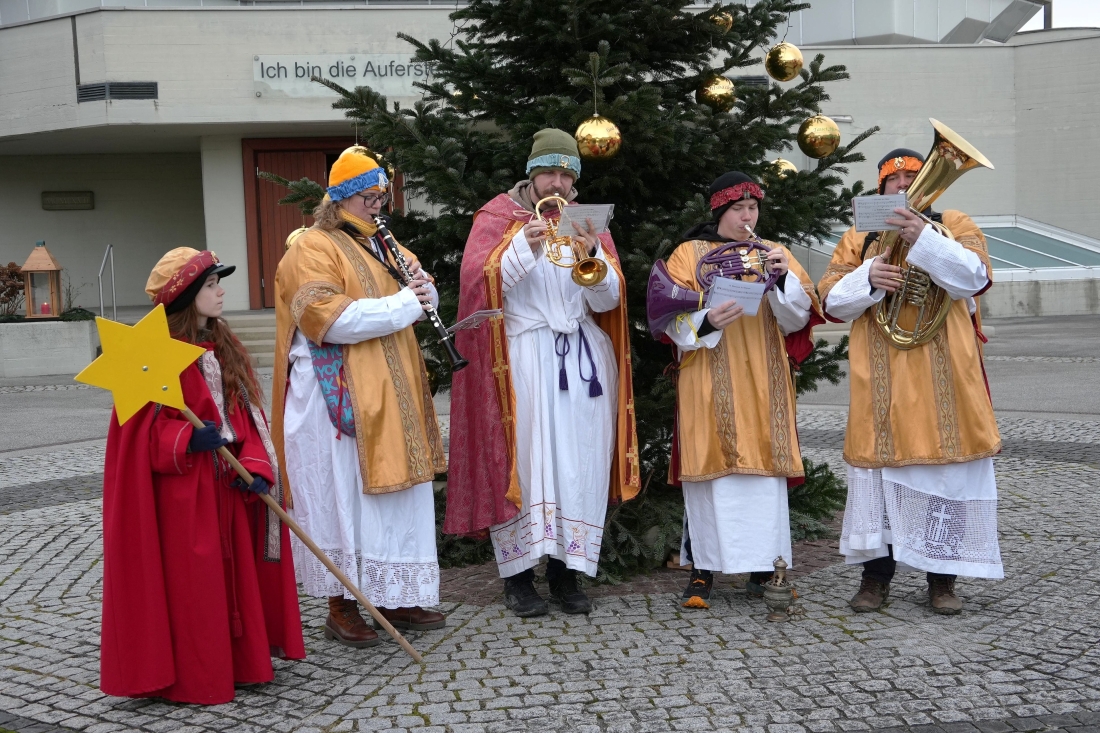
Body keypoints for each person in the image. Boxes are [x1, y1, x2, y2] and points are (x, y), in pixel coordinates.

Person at [446, 129, 640, 617]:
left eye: (566, 174)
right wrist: (522, 249)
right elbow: (476, 286)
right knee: (525, 463)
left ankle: (566, 572)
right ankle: (518, 578)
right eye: (548, 172)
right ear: (532, 174)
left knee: (579, 464)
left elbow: (609, 299)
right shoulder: (498, 218)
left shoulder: (587, 221)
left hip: (581, 361)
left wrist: (592, 253)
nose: (557, 182)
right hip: (523, 357)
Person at [100, 248, 304, 704]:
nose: (221, 292)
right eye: (211, 285)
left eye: (218, 283)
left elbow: (248, 418)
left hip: (227, 489)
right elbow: (135, 442)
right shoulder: (151, 360)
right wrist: (184, 441)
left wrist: (253, 466)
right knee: (196, 587)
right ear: (188, 295)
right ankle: (197, 675)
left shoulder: (224, 347)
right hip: (184, 496)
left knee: (235, 577)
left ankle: (243, 663)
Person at [272, 146, 447, 647]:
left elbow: (423, 292)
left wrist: (423, 293)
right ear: (344, 198)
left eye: (383, 196)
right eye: (370, 196)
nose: (379, 206)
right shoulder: (313, 246)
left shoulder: (386, 244)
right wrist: (403, 304)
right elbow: (327, 319)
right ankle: (341, 602)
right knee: (343, 498)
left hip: (394, 395)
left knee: (400, 500)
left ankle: (396, 593)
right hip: (339, 399)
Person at [817, 148, 1003, 615]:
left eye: (912, 179)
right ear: (880, 189)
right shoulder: (860, 236)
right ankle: (875, 579)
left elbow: (974, 279)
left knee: (947, 476)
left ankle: (943, 582)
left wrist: (925, 237)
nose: (903, 187)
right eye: (893, 182)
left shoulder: (954, 222)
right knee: (881, 477)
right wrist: (868, 277)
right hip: (882, 377)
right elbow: (831, 304)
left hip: (945, 377)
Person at [657, 172, 823, 609]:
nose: (747, 217)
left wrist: (785, 279)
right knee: (710, 476)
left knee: (764, 478)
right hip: (707, 375)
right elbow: (668, 315)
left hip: (764, 377)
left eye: (753, 209)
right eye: (737, 209)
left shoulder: (775, 252)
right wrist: (708, 321)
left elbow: (798, 320)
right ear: (718, 212)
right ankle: (702, 570)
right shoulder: (688, 253)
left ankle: (766, 569)